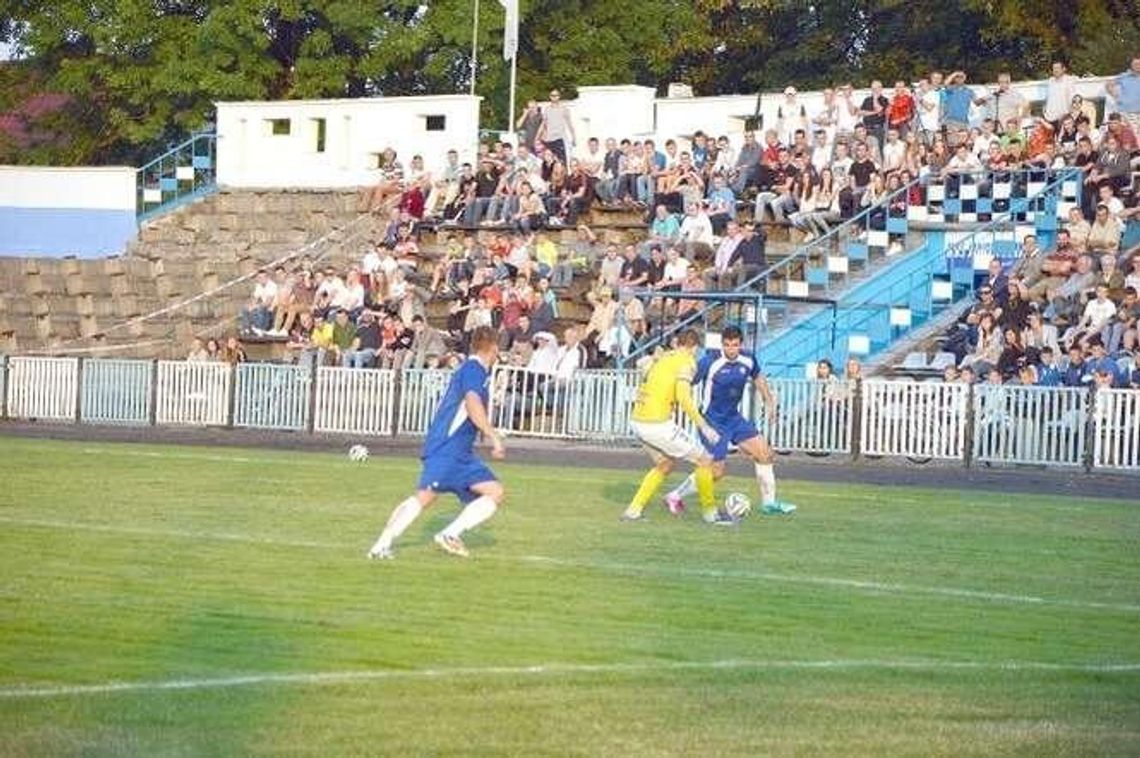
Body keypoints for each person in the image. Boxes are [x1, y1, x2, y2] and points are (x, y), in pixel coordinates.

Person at [367, 326, 506, 560]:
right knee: (425, 496)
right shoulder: (474, 370)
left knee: (494, 491)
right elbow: (472, 404)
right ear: (492, 348)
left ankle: (448, 534)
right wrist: (493, 436)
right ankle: (382, 545)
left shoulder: (473, 370)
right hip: (448, 448)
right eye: (497, 349)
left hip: (459, 451)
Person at [663, 326, 796, 517]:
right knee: (716, 472)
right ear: (722, 344)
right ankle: (675, 495)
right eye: (727, 345)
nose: (731, 349)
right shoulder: (710, 362)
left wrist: (769, 401)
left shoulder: (748, 358)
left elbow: (757, 376)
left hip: (734, 418)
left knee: (764, 454)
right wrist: (671, 404)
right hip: (712, 422)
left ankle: (769, 503)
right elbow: (686, 383)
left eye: (734, 345)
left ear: (741, 344)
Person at [620, 329, 734, 525]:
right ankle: (710, 513)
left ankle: (633, 511)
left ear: (677, 343)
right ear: (695, 348)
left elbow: (641, 366)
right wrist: (703, 426)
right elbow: (683, 396)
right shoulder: (687, 362)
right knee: (706, 460)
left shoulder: (664, 357)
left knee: (665, 465)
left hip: (637, 420)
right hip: (656, 423)